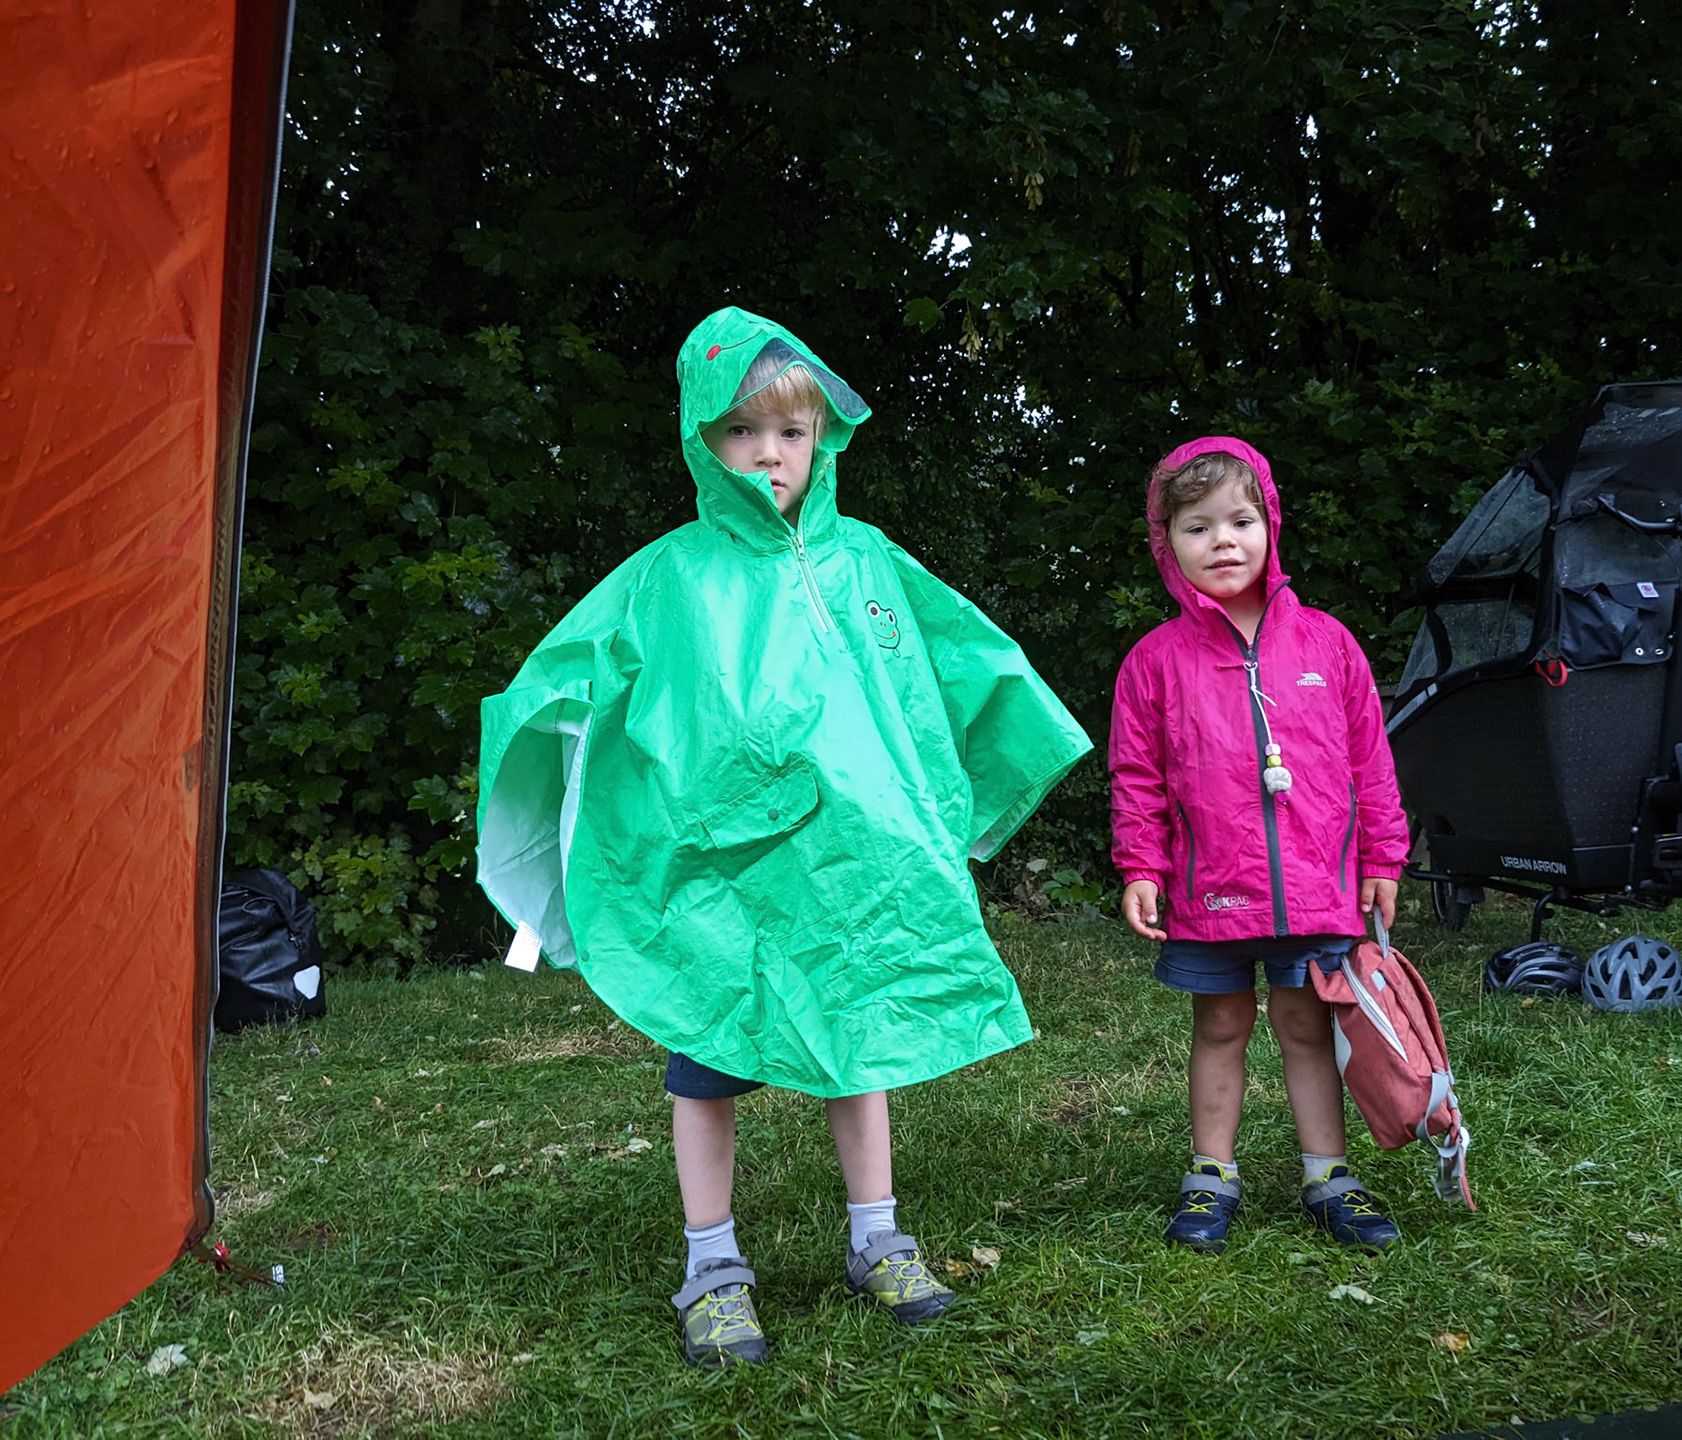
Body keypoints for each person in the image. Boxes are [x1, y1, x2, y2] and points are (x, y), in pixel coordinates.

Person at [474, 308, 1090, 1365]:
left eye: (792, 432)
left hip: (848, 868)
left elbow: (952, 662)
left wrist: (984, 769)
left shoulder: (865, 564)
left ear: (825, 439)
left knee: (858, 1042)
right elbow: (572, 673)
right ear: (701, 443)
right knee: (707, 1056)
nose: (770, 454)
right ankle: (711, 1265)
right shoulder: (668, 578)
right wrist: (553, 740)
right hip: (719, 873)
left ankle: (877, 1237)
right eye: (741, 433)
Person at [1109, 437, 1409, 1252]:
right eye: (1198, 527)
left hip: (1319, 884)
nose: (1223, 542)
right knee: (1221, 1027)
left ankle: (1328, 1175)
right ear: (1166, 543)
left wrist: (1384, 857)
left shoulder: (1326, 645)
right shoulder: (1153, 664)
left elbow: (1369, 759)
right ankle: (1211, 1177)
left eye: (1241, 520)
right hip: (1210, 889)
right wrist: (1141, 865)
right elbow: (1135, 775)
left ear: (1270, 524)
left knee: (1309, 1026)